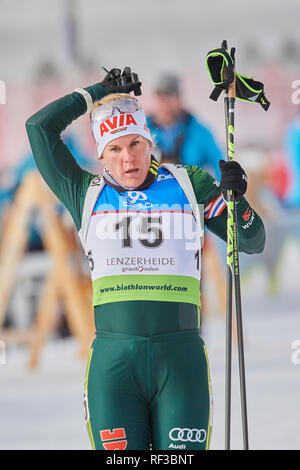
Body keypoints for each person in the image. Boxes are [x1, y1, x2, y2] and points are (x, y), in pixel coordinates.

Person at [26, 67, 265, 451]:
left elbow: (252, 241)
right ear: (102, 154)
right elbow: (39, 128)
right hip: (114, 366)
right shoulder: (84, 191)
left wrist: (240, 202)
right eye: (115, 149)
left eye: (135, 144)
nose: (128, 159)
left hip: (180, 362)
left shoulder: (190, 184)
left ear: (149, 141)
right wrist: (96, 92)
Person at [147, 73, 223, 179]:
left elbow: (220, 165)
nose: (164, 104)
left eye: (169, 97)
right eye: (160, 98)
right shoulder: (142, 130)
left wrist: (225, 191)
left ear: (179, 99)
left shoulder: (200, 132)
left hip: (191, 193)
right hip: (152, 194)